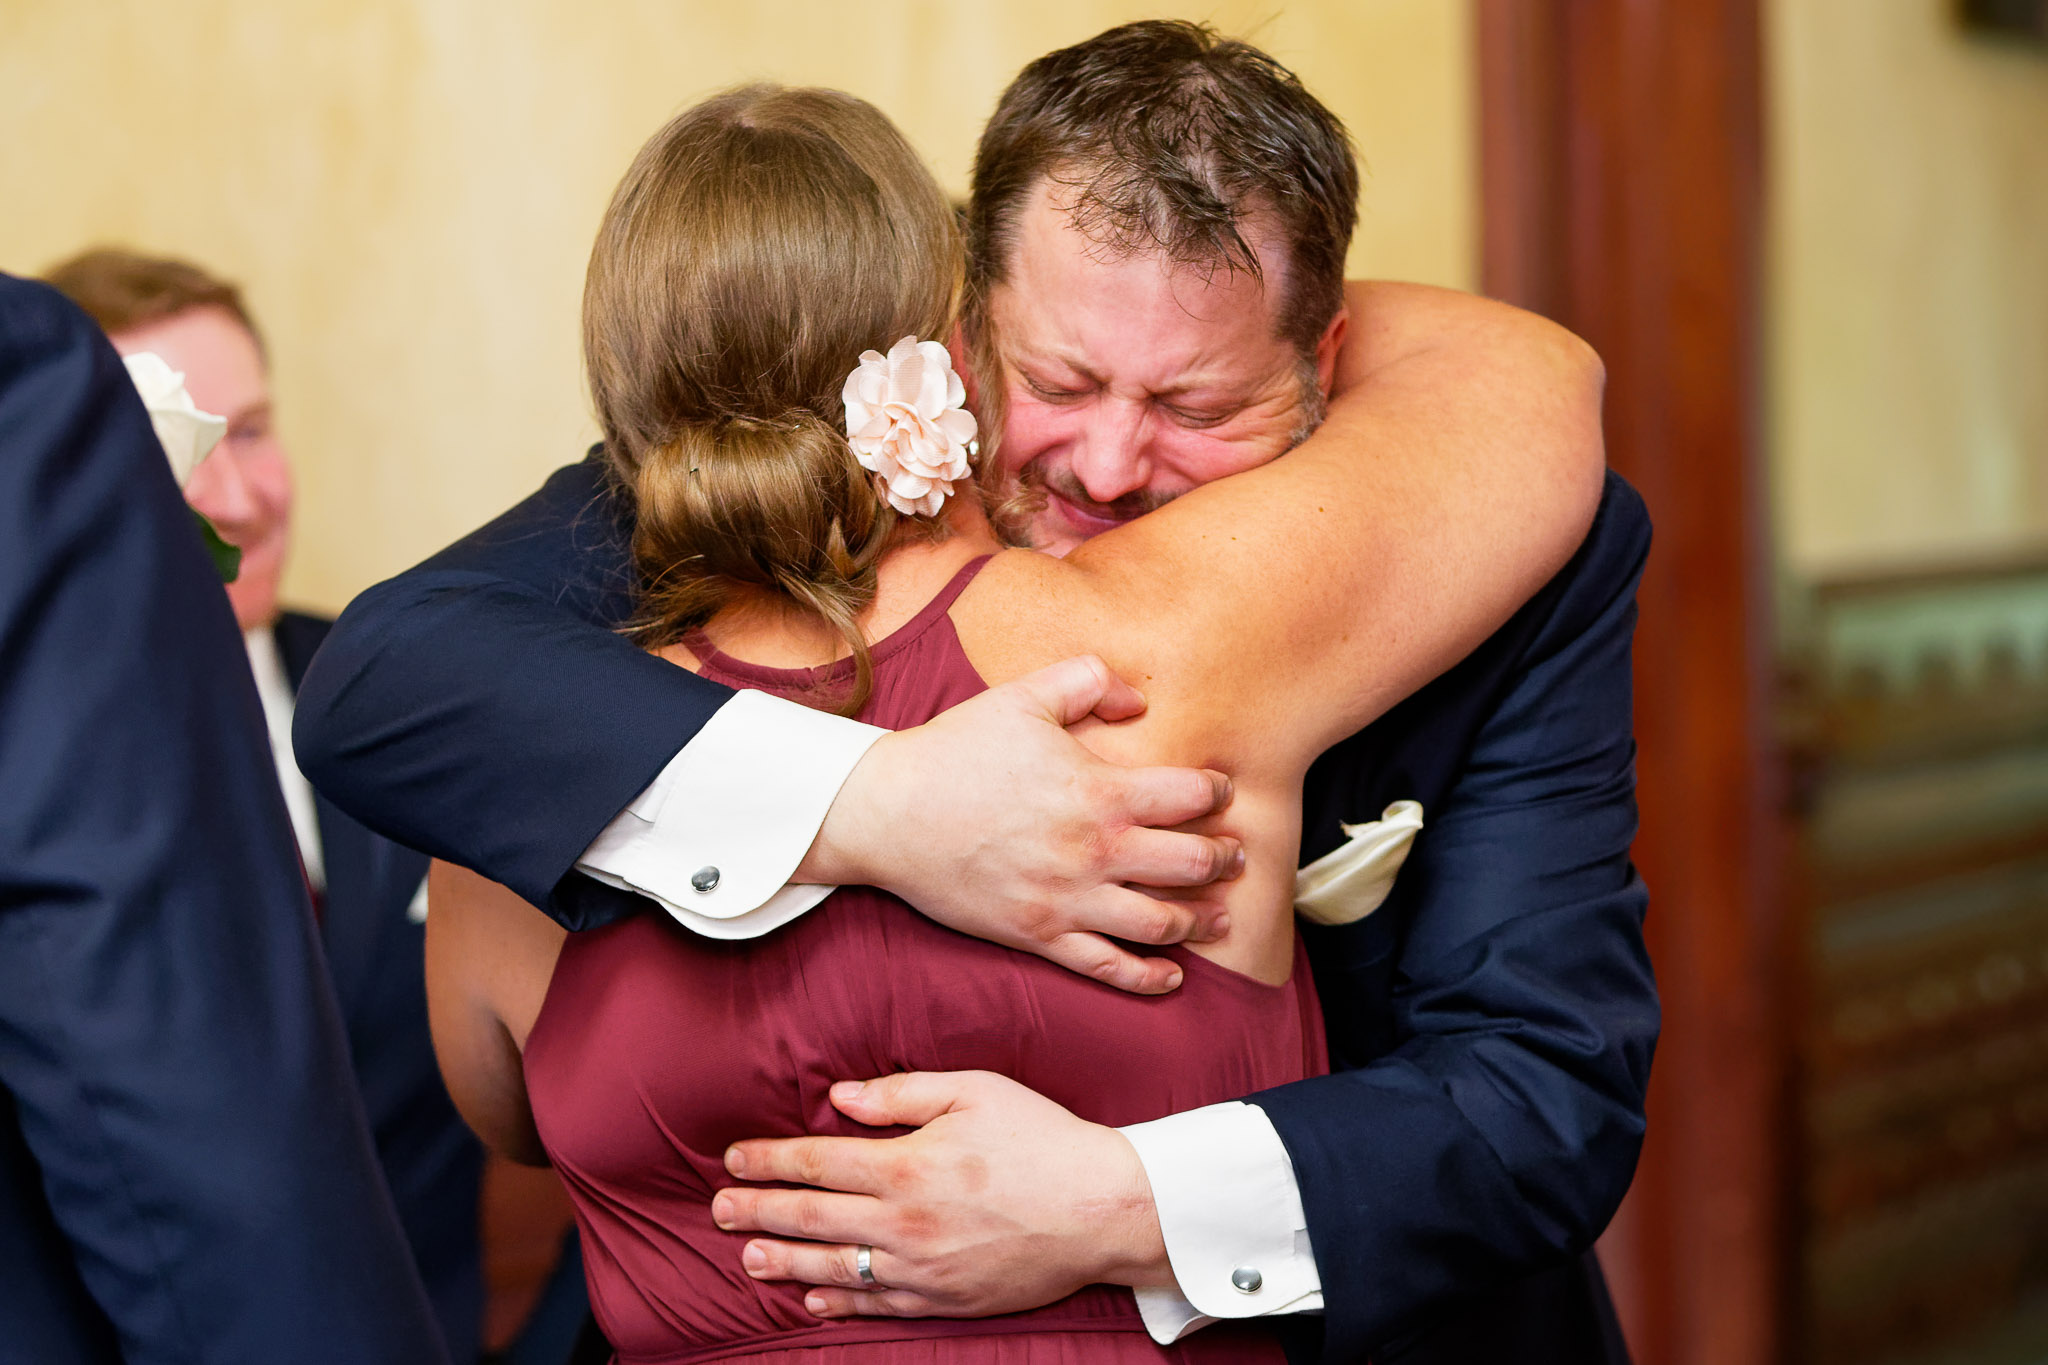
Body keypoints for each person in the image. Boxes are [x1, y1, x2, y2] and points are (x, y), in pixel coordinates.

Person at [299, 22, 1653, 1363]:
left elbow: (1542, 1096)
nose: (1110, 465)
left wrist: (1120, 1208)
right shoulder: (700, 515)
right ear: (945, 337)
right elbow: (396, 668)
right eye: (1058, 382)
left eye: (1199, 407)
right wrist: (876, 805)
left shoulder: (1494, 547)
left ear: (1327, 365)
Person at [44, 248, 488, 1362]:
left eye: (250, 431)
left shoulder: (416, 696)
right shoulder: (42, 764)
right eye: (181, 454)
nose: (239, 497)